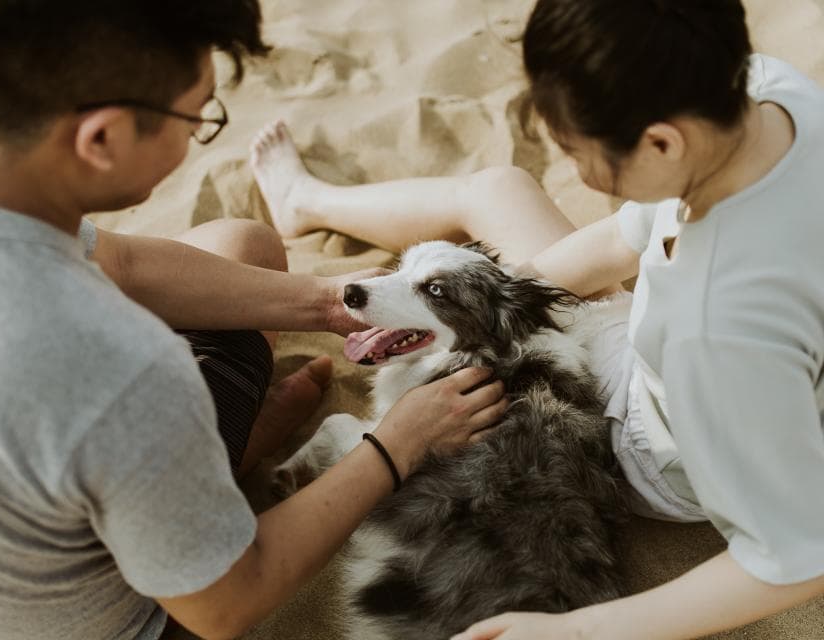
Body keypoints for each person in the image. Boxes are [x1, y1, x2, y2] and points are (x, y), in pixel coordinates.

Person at [0, 2, 511, 639]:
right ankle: (213, 474)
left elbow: (119, 262)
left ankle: (186, 476)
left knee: (241, 248)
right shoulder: (124, 365)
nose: (199, 129)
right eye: (196, 115)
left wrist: (323, 300)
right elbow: (224, 606)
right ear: (103, 137)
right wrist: (398, 442)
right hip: (136, 615)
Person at [249, 1, 824, 638]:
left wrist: (573, 632)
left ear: (663, 140)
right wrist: (492, 300)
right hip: (701, 336)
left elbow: (789, 558)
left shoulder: (710, 332)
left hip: (658, 437)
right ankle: (306, 203)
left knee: (493, 196)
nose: (578, 172)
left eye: (580, 154)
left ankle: (309, 201)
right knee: (502, 191)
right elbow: (618, 239)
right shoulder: (768, 93)